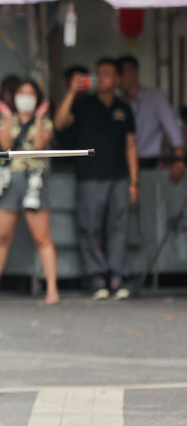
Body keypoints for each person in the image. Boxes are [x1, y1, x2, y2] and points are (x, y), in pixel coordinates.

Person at [55, 58, 138, 300]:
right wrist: (72, 92)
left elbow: (131, 146)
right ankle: (96, 276)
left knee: (119, 227)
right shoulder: (83, 104)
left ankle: (116, 275)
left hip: (119, 176)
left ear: (118, 79)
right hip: (90, 176)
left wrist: (134, 182)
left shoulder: (123, 108)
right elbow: (59, 123)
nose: (100, 78)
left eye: (107, 74)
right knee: (89, 227)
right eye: (98, 73)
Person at [0, 79, 60, 305]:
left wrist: (39, 117)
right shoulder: (6, 119)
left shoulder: (45, 121)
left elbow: (40, 145)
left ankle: (52, 289)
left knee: (42, 238)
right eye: (22, 92)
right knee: (1, 237)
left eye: (30, 93)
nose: (25, 97)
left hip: (35, 180)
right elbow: (5, 145)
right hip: (10, 180)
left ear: (37, 98)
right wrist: (9, 117)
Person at [118, 55, 184, 184]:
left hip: (149, 163)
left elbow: (173, 130)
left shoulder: (154, 97)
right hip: (122, 165)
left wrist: (179, 159)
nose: (119, 78)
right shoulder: (118, 102)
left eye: (122, 72)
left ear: (134, 71)